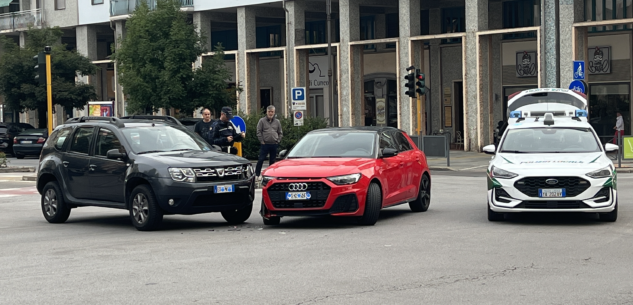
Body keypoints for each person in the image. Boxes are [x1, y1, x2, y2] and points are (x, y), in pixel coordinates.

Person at [255, 105, 283, 178]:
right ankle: (257, 174)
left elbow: (280, 132)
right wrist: (262, 141)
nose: (270, 113)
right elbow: (258, 131)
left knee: (272, 161)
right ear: (266, 112)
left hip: (274, 144)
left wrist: (278, 140)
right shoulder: (262, 121)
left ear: (274, 112)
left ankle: (271, 175)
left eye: (272, 112)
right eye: (269, 112)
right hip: (265, 144)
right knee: (261, 159)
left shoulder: (277, 122)